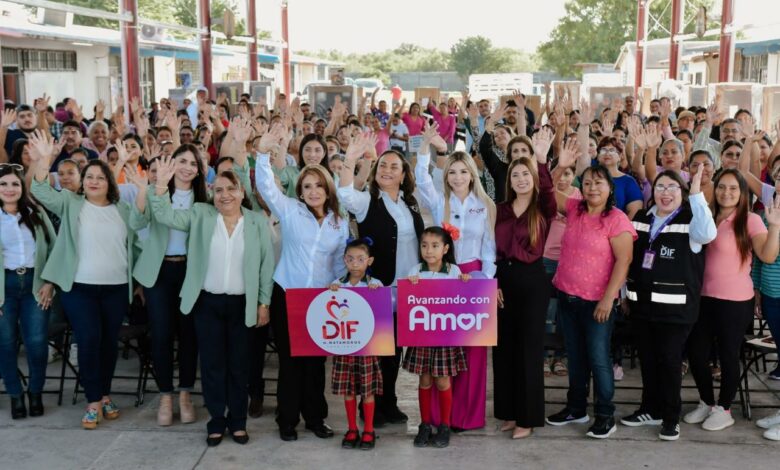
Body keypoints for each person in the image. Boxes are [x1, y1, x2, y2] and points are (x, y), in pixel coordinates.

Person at [149, 160, 274, 446]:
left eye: (231, 189)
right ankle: (217, 420)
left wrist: (264, 302)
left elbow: (266, 266)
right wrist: (159, 187)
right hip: (207, 303)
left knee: (239, 366)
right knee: (213, 365)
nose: (224, 195)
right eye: (218, 190)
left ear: (242, 192)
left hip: (243, 304)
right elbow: (166, 216)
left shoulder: (256, 221)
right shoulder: (200, 214)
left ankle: (238, 421)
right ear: (211, 193)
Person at [27, 130, 138, 430]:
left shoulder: (123, 210)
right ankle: (92, 401)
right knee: (88, 340)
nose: (93, 181)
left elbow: (137, 245)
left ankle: (103, 394)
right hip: (79, 288)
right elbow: (39, 189)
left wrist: (138, 281)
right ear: (82, 181)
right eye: (88, 176)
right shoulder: (71, 203)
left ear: (109, 182)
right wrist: (43, 159)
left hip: (115, 288)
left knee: (108, 344)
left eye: (100, 177)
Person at [255, 124, 349, 442]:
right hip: (288, 294)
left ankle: (315, 418)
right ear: (300, 190)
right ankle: (287, 420)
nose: (312, 191)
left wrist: (338, 285)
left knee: (314, 362)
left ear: (327, 188)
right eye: (306, 186)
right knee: (290, 361)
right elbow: (267, 188)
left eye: (318, 186)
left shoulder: (339, 222)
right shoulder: (291, 210)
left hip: (321, 299)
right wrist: (263, 153)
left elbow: (339, 263)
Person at [623, 169, 717, 441]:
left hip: (676, 312)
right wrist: (623, 294)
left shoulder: (693, 220)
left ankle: (670, 417)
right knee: (649, 361)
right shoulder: (642, 219)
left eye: (673, 187)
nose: (666, 192)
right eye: (660, 186)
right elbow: (627, 258)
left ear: (683, 192)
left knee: (669, 362)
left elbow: (709, 233)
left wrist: (698, 194)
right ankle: (649, 409)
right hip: (642, 309)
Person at [683, 169, 780, 431]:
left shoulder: (749, 220)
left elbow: (768, 256)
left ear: (742, 193)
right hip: (702, 298)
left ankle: (724, 408)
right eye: (722, 187)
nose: (727, 193)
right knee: (696, 353)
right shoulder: (705, 216)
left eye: (733, 188)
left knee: (727, 355)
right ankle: (706, 401)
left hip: (735, 301)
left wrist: (775, 226)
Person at [414, 124, 496, 432]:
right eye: (452, 172)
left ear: (472, 174)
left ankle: (467, 416)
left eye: (463, 172)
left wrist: (483, 280)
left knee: (473, 351)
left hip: (474, 279)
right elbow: (422, 180)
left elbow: (490, 248)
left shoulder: (484, 206)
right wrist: (424, 148)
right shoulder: (439, 203)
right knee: (443, 349)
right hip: (442, 278)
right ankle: (440, 416)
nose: (458, 177)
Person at [546, 163, 637, 439]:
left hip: (597, 303)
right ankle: (576, 408)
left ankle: (605, 415)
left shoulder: (617, 219)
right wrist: (560, 165)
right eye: (587, 182)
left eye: (599, 182)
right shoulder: (574, 208)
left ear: (610, 188)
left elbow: (625, 260)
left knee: (599, 360)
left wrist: (608, 299)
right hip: (567, 296)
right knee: (575, 357)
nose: (592, 187)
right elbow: (545, 190)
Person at [338, 133, 423, 427]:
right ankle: (369, 402)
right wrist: (351, 159)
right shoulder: (367, 202)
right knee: (376, 349)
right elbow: (345, 194)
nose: (387, 170)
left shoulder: (410, 203)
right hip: (378, 287)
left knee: (397, 348)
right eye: (383, 165)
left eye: (394, 167)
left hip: (408, 286)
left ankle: (389, 401)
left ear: (403, 174)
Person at [129, 143, 209, 427]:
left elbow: (181, 223)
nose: (187, 167)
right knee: (161, 335)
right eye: (182, 161)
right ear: (170, 164)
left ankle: (185, 393)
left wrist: (159, 192)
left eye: (193, 163)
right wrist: (143, 191)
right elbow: (136, 222)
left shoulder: (204, 201)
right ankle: (165, 395)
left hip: (190, 270)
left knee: (189, 335)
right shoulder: (154, 191)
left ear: (199, 170)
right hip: (159, 272)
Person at [493, 146, 557, 438]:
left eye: (525, 174)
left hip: (532, 281)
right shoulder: (502, 209)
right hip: (504, 278)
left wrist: (541, 160)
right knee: (505, 347)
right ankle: (508, 411)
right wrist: (494, 282)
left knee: (529, 350)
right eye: (515, 174)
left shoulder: (543, 207)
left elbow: (547, 190)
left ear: (532, 177)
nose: (520, 179)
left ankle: (527, 418)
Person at [404, 225, 469, 449]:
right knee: (424, 379)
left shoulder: (454, 271)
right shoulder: (414, 271)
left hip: (444, 337)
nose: (428, 250)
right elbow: (407, 302)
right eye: (424, 245)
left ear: (445, 248)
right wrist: (410, 287)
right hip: (422, 337)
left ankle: (444, 425)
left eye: (434, 246)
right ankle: (424, 424)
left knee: (443, 381)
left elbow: (463, 300)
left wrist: (465, 283)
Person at [0, 164, 56, 419]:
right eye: (3, 184)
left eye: (15, 184)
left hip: (35, 283)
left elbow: (55, 249)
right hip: (4, 287)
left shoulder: (36, 213)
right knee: (6, 343)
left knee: (36, 342)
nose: (9, 189)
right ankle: (14, 394)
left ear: (22, 188)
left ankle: (35, 392)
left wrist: (50, 282)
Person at [329, 238, 384, 451]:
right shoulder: (338, 284)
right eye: (350, 259)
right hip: (344, 345)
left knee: (367, 390)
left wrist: (376, 292)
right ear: (344, 260)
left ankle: (368, 429)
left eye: (360, 259)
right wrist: (331, 290)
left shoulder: (374, 284)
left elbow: (382, 310)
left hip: (367, 347)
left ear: (369, 261)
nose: (355, 263)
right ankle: (352, 429)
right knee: (349, 389)